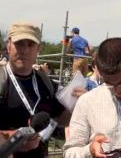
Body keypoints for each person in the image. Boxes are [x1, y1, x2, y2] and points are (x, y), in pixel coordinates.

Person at [0, 22, 71, 158]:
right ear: (9, 45)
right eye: (19, 43)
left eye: (30, 44)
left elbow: (61, 119)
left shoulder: (46, 83)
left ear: (39, 48)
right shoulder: (2, 80)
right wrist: (13, 139)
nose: (25, 50)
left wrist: (80, 102)